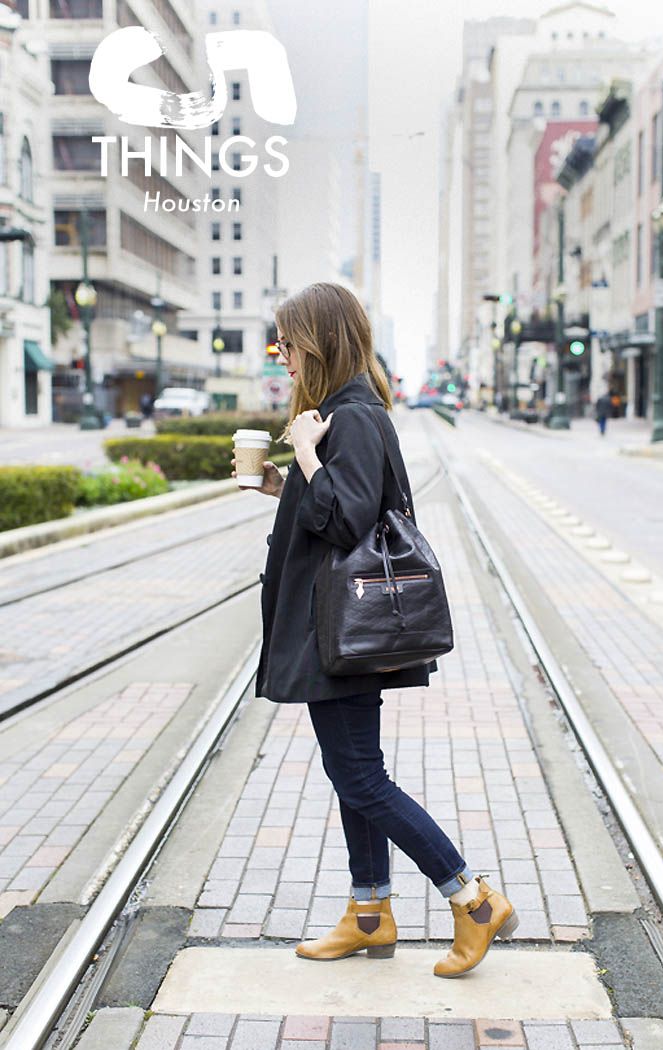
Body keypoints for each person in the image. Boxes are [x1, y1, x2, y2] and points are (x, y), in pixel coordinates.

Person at [231, 282, 518, 977]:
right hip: (335, 632)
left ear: (319, 342)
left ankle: (471, 898)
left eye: (288, 343)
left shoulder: (350, 417)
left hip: (341, 632)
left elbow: (345, 520)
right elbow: (338, 507)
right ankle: (368, 914)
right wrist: (283, 484)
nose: (283, 358)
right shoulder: (343, 413)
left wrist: (304, 453)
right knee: (351, 773)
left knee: (360, 777)